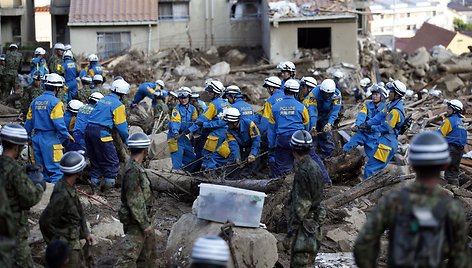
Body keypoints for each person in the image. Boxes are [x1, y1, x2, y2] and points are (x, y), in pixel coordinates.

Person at [353, 131, 469, 268]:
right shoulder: (452, 209)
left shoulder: (392, 201)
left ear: (412, 164)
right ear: (444, 165)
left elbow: (363, 246)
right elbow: (461, 258)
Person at [268, 79, 331, 185]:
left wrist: (271, 146)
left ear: (284, 91)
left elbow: (272, 130)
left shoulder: (274, 107)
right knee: (313, 158)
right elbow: (306, 124)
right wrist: (305, 137)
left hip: (282, 140)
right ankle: (325, 181)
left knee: (282, 167)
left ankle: (280, 188)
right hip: (298, 138)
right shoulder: (301, 107)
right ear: (296, 92)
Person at [39, 151, 95, 268]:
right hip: (67, 246)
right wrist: (56, 246)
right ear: (77, 172)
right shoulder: (62, 193)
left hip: (73, 241)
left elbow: (79, 212)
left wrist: (86, 233)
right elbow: (45, 221)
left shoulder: (69, 186)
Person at [1, 124, 45, 268]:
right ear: (17, 148)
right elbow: (30, 198)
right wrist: (39, 185)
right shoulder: (15, 172)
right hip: (13, 230)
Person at [116, 133, 157, 267]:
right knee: (127, 259)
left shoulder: (135, 167)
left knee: (146, 257)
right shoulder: (133, 171)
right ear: (145, 150)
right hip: (136, 222)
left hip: (142, 219)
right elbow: (135, 200)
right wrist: (144, 224)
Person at [286, 130, 325, 268]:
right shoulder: (315, 166)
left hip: (305, 226)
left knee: (300, 262)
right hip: (315, 222)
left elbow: (302, 205)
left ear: (293, 149)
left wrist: (291, 231)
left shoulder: (303, 171)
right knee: (309, 261)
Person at [25, 73, 74, 183]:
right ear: (57, 88)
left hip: (36, 139)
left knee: (40, 171)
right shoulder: (56, 103)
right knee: (56, 171)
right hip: (50, 140)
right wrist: (67, 135)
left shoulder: (35, 101)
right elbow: (58, 123)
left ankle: (42, 195)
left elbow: (28, 122)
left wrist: (27, 136)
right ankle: (53, 196)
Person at [86, 79, 129, 190]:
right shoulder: (118, 105)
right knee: (111, 161)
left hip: (88, 131)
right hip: (101, 133)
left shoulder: (102, 100)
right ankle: (109, 191)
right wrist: (126, 140)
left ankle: (94, 188)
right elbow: (122, 127)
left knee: (95, 161)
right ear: (122, 94)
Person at [362, 80, 406, 178]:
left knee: (370, 169)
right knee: (372, 166)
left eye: (391, 92)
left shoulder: (395, 111)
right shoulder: (390, 105)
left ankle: (366, 192)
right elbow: (379, 116)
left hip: (387, 143)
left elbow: (386, 127)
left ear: (397, 95)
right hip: (384, 140)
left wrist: (371, 128)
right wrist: (366, 124)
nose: (389, 93)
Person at [189, 80, 229, 170]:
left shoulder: (213, 105)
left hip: (216, 134)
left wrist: (188, 130)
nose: (208, 94)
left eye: (210, 92)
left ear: (215, 93)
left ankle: (209, 174)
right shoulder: (226, 103)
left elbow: (202, 119)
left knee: (207, 154)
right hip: (227, 134)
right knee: (220, 154)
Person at [343, 84, 388, 157]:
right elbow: (361, 116)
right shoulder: (367, 105)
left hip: (375, 136)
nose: (374, 96)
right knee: (348, 146)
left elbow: (381, 122)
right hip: (363, 132)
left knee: (373, 157)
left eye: (376, 94)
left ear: (382, 96)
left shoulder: (385, 109)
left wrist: (371, 127)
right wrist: (358, 125)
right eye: (373, 94)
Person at [305, 79, 342, 159]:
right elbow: (312, 110)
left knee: (326, 134)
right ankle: (311, 155)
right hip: (314, 113)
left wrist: (330, 123)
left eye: (329, 95)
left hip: (327, 114)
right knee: (312, 135)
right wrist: (313, 125)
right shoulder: (313, 93)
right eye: (325, 94)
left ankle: (327, 154)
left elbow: (335, 111)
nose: (327, 96)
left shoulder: (337, 94)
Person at [438, 99, 467, 186]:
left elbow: (439, 135)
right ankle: (454, 189)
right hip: (460, 151)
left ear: (454, 111)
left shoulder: (449, 121)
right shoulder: (461, 123)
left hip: (450, 149)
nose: (447, 110)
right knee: (453, 172)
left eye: (449, 108)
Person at [167, 89, 198, 171]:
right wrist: (176, 132)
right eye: (181, 98)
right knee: (177, 157)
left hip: (184, 135)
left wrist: (189, 130)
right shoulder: (176, 109)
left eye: (185, 98)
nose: (183, 100)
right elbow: (175, 121)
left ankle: (189, 173)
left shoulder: (193, 109)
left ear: (189, 98)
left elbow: (196, 123)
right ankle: (176, 174)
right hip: (175, 137)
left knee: (191, 157)